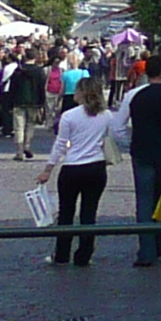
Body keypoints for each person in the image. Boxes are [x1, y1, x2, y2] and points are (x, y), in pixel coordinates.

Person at [37, 74, 119, 267]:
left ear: (82, 93)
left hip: (72, 167)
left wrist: (48, 169)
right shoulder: (106, 115)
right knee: (89, 214)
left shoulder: (69, 116)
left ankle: (62, 254)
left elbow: (60, 145)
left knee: (66, 213)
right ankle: (84, 255)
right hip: (96, 167)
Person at [121, 50, 161, 267]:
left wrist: (129, 142)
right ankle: (160, 241)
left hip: (141, 152)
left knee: (144, 200)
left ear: (145, 72)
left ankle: (146, 250)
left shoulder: (132, 96)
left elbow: (117, 127)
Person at [3, 53, 47, 160]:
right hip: (34, 102)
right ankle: (27, 145)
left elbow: (12, 88)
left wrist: (10, 104)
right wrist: (42, 103)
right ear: (34, 58)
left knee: (19, 127)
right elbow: (42, 88)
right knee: (30, 125)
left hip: (18, 101)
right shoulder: (39, 71)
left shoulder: (18, 71)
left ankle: (19, 151)